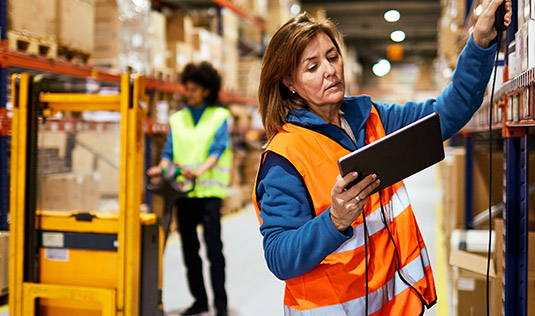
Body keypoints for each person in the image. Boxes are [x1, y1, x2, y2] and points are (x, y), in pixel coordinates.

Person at [252, 1, 511, 315]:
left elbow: (448, 114)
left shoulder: (371, 117)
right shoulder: (285, 158)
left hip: (392, 307)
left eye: (332, 57)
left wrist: (481, 42)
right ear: (289, 83)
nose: (330, 70)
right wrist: (334, 221)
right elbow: (280, 257)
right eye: (312, 66)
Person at [148, 62, 232, 316]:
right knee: (189, 251)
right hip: (183, 193)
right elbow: (169, 152)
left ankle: (220, 304)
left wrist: (200, 170)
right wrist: (161, 169)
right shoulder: (177, 119)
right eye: (186, 88)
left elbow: (218, 149)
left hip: (210, 196)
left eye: (193, 89)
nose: (188, 92)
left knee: (214, 251)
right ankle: (200, 301)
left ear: (207, 90)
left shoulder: (219, 117)